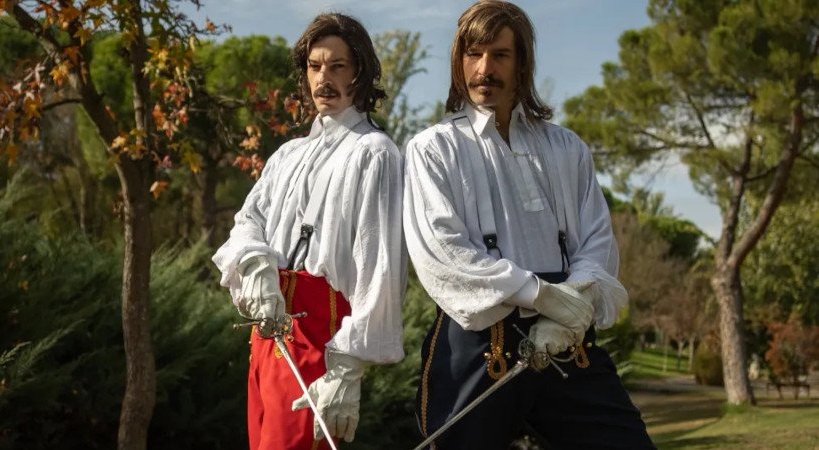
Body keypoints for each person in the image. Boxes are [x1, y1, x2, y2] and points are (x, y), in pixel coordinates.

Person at [403, 2, 655, 449]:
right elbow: (444, 252)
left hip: (568, 340)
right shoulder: (432, 149)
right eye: (474, 54)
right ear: (459, 61)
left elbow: (597, 240)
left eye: (500, 55)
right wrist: (541, 296)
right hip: (479, 346)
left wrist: (573, 303)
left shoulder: (566, 147)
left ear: (522, 63)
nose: (485, 69)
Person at [212, 13, 406, 450]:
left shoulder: (374, 153)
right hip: (267, 332)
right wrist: (256, 261)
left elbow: (381, 267)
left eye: (338, 65)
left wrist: (349, 367)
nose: (324, 78)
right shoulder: (286, 155)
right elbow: (248, 220)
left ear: (360, 73)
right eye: (315, 66)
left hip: (324, 331)